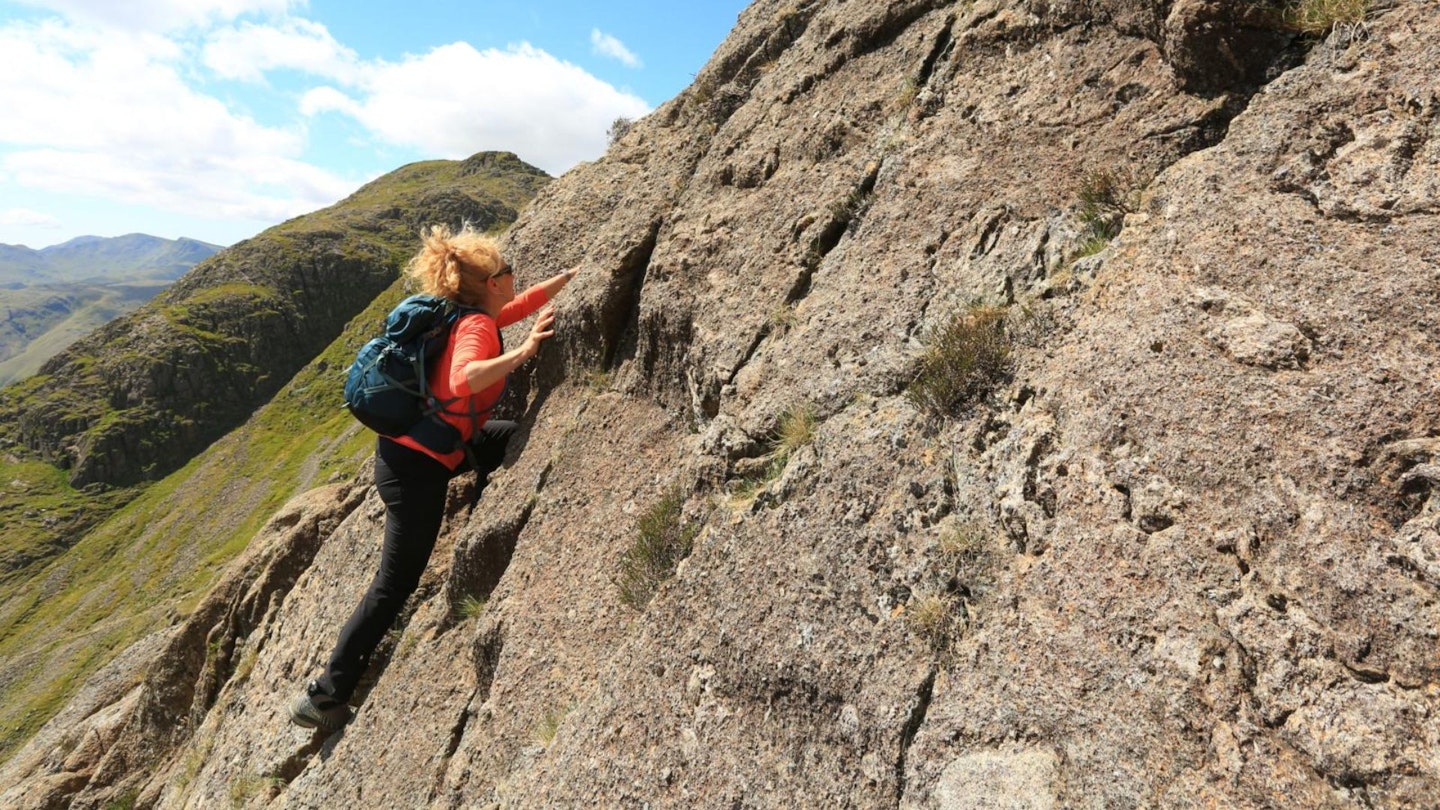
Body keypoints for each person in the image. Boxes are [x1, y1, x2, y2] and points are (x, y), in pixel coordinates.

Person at [290, 223, 579, 731]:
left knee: (509, 438)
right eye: (507, 271)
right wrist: (527, 351)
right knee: (394, 583)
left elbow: (520, 304)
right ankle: (324, 694)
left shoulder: (474, 313)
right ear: (491, 282)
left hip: (428, 450)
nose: (514, 277)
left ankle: (490, 509)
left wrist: (574, 276)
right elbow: (463, 377)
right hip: (415, 469)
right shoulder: (476, 328)